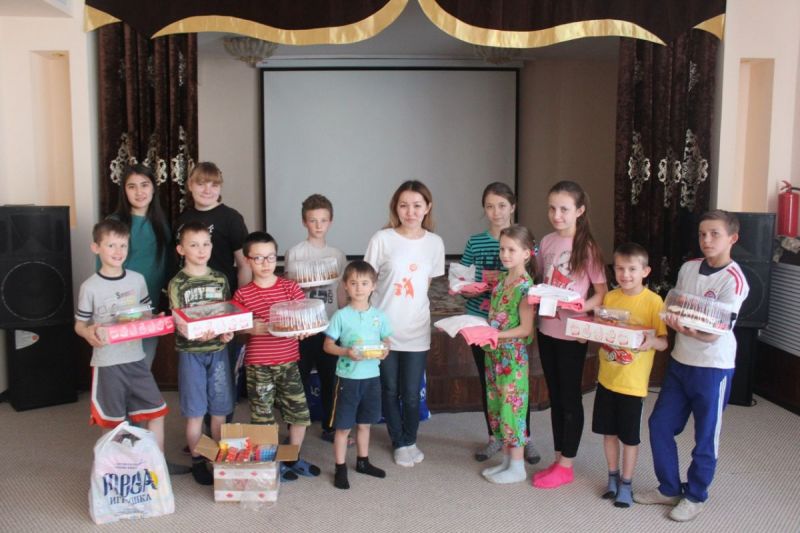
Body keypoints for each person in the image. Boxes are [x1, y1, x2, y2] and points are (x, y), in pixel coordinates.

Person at [635, 210, 749, 522]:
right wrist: (678, 322)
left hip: (713, 367)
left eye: (714, 234)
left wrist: (686, 326)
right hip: (679, 362)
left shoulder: (735, 279)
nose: (706, 240)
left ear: (732, 238)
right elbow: (676, 305)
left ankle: (696, 495)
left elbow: (714, 332)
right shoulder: (688, 268)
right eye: (702, 234)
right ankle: (669, 487)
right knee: (660, 425)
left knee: (706, 435)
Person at [364, 180, 445, 467]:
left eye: (417, 205)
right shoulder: (382, 239)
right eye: (404, 205)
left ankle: (411, 439)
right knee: (389, 389)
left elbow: (427, 284)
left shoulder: (435, 243)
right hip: (383, 329)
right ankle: (399, 442)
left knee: (411, 393)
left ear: (427, 207)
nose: (410, 212)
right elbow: (366, 282)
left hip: (416, 329)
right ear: (395, 208)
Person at [533, 180, 608, 489]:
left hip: (572, 333)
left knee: (569, 396)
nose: (557, 215)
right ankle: (558, 457)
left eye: (564, 209)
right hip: (546, 328)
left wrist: (579, 307)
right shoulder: (546, 242)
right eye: (552, 208)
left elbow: (601, 292)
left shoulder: (587, 247)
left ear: (579, 211)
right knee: (554, 394)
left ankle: (567, 464)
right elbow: (541, 279)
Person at [460, 182, 540, 465]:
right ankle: (496, 437)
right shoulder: (475, 242)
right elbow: (462, 279)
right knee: (491, 386)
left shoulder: (524, 243)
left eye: (502, 205)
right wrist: (475, 287)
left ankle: (522, 438)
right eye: (490, 206)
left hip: (511, 330)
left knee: (514, 391)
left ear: (512, 207)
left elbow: (533, 275)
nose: (496, 212)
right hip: (483, 322)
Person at [233, 231, 320, 481]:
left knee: (299, 414)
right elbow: (234, 329)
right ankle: (270, 465)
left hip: (288, 363)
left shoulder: (289, 287)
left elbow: (305, 319)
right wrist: (249, 328)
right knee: (263, 419)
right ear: (248, 260)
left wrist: (305, 330)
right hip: (258, 365)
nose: (265, 263)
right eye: (258, 258)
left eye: (270, 257)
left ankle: (292, 458)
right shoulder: (242, 295)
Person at [75, 219, 167, 449]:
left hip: (136, 359)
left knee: (157, 412)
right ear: (96, 247)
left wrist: (155, 320)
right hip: (107, 363)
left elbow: (146, 314)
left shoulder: (137, 279)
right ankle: (117, 466)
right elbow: (79, 324)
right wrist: (87, 332)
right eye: (111, 245)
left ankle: (156, 463)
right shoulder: (90, 287)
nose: (118, 251)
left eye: (123, 245)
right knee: (113, 422)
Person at [591, 243, 667, 508]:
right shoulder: (610, 297)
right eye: (620, 269)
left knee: (630, 438)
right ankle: (612, 477)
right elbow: (602, 329)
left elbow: (663, 342)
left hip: (632, 385)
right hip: (606, 378)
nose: (625, 275)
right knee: (608, 433)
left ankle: (626, 482)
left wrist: (650, 341)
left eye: (632, 269)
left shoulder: (654, 301)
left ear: (645, 271)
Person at [177, 161, 251, 415]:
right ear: (190, 185)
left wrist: (238, 307)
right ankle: (198, 428)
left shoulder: (231, 218)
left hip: (222, 305)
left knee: (221, 374)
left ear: (220, 187)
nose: (207, 189)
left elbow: (244, 264)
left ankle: (221, 430)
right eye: (201, 183)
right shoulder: (183, 219)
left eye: (213, 184)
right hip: (191, 305)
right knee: (194, 372)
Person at [167, 221, 235, 486]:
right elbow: (178, 320)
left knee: (220, 410)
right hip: (191, 354)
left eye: (206, 244)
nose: (201, 249)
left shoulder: (220, 278)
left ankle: (218, 459)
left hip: (218, 352)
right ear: (181, 249)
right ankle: (197, 461)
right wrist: (196, 332)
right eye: (194, 245)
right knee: (195, 411)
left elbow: (226, 313)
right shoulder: (178, 283)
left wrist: (227, 333)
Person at [323, 260, 392, 489]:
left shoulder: (379, 316)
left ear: (373, 286)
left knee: (365, 424)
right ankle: (340, 467)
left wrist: (385, 349)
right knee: (343, 427)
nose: (359, 288)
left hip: (371, 378)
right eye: (353, 283)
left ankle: (363, 461)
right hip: (347, 379)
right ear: (345, 286)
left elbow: (386, 340)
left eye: (364, 283)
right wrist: (346, 352)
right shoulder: (341, 316)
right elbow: (328, 346)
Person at [285, 194, 347, 443]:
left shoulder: (337, 254)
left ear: (330, 221)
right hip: (302, 328)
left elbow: (341, 291)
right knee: (297, 378)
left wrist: (344, 323)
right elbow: (288, 290)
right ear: (304, 222)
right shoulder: (294, 253)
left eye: (323, 220)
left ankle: (330, 426)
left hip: (329, 326)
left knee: (331, 377)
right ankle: (293, 428)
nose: (318, 225)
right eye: (313, 220)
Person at [479, 225, 536, 484]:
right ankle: (505, 460)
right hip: (494, 354)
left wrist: (495, 335)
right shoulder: (503, 280)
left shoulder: (526, 287)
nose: (505, 254)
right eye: (502, 249)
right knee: (497, 406)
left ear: (526, 253)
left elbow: (525, 329)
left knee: (512, 408)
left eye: (511, 250)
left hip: (512, 358)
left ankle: (517, 466)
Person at [108, 164, 173, 368]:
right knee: (120, 368)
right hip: (120, 309)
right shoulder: (114, 224)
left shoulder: (161, 223)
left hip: (150, 309)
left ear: (153, 188)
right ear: (124, 191)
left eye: (144, 185)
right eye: (132, 186)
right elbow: (104, 270)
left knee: (144, 367)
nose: (139, 192)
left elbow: (166, 267)